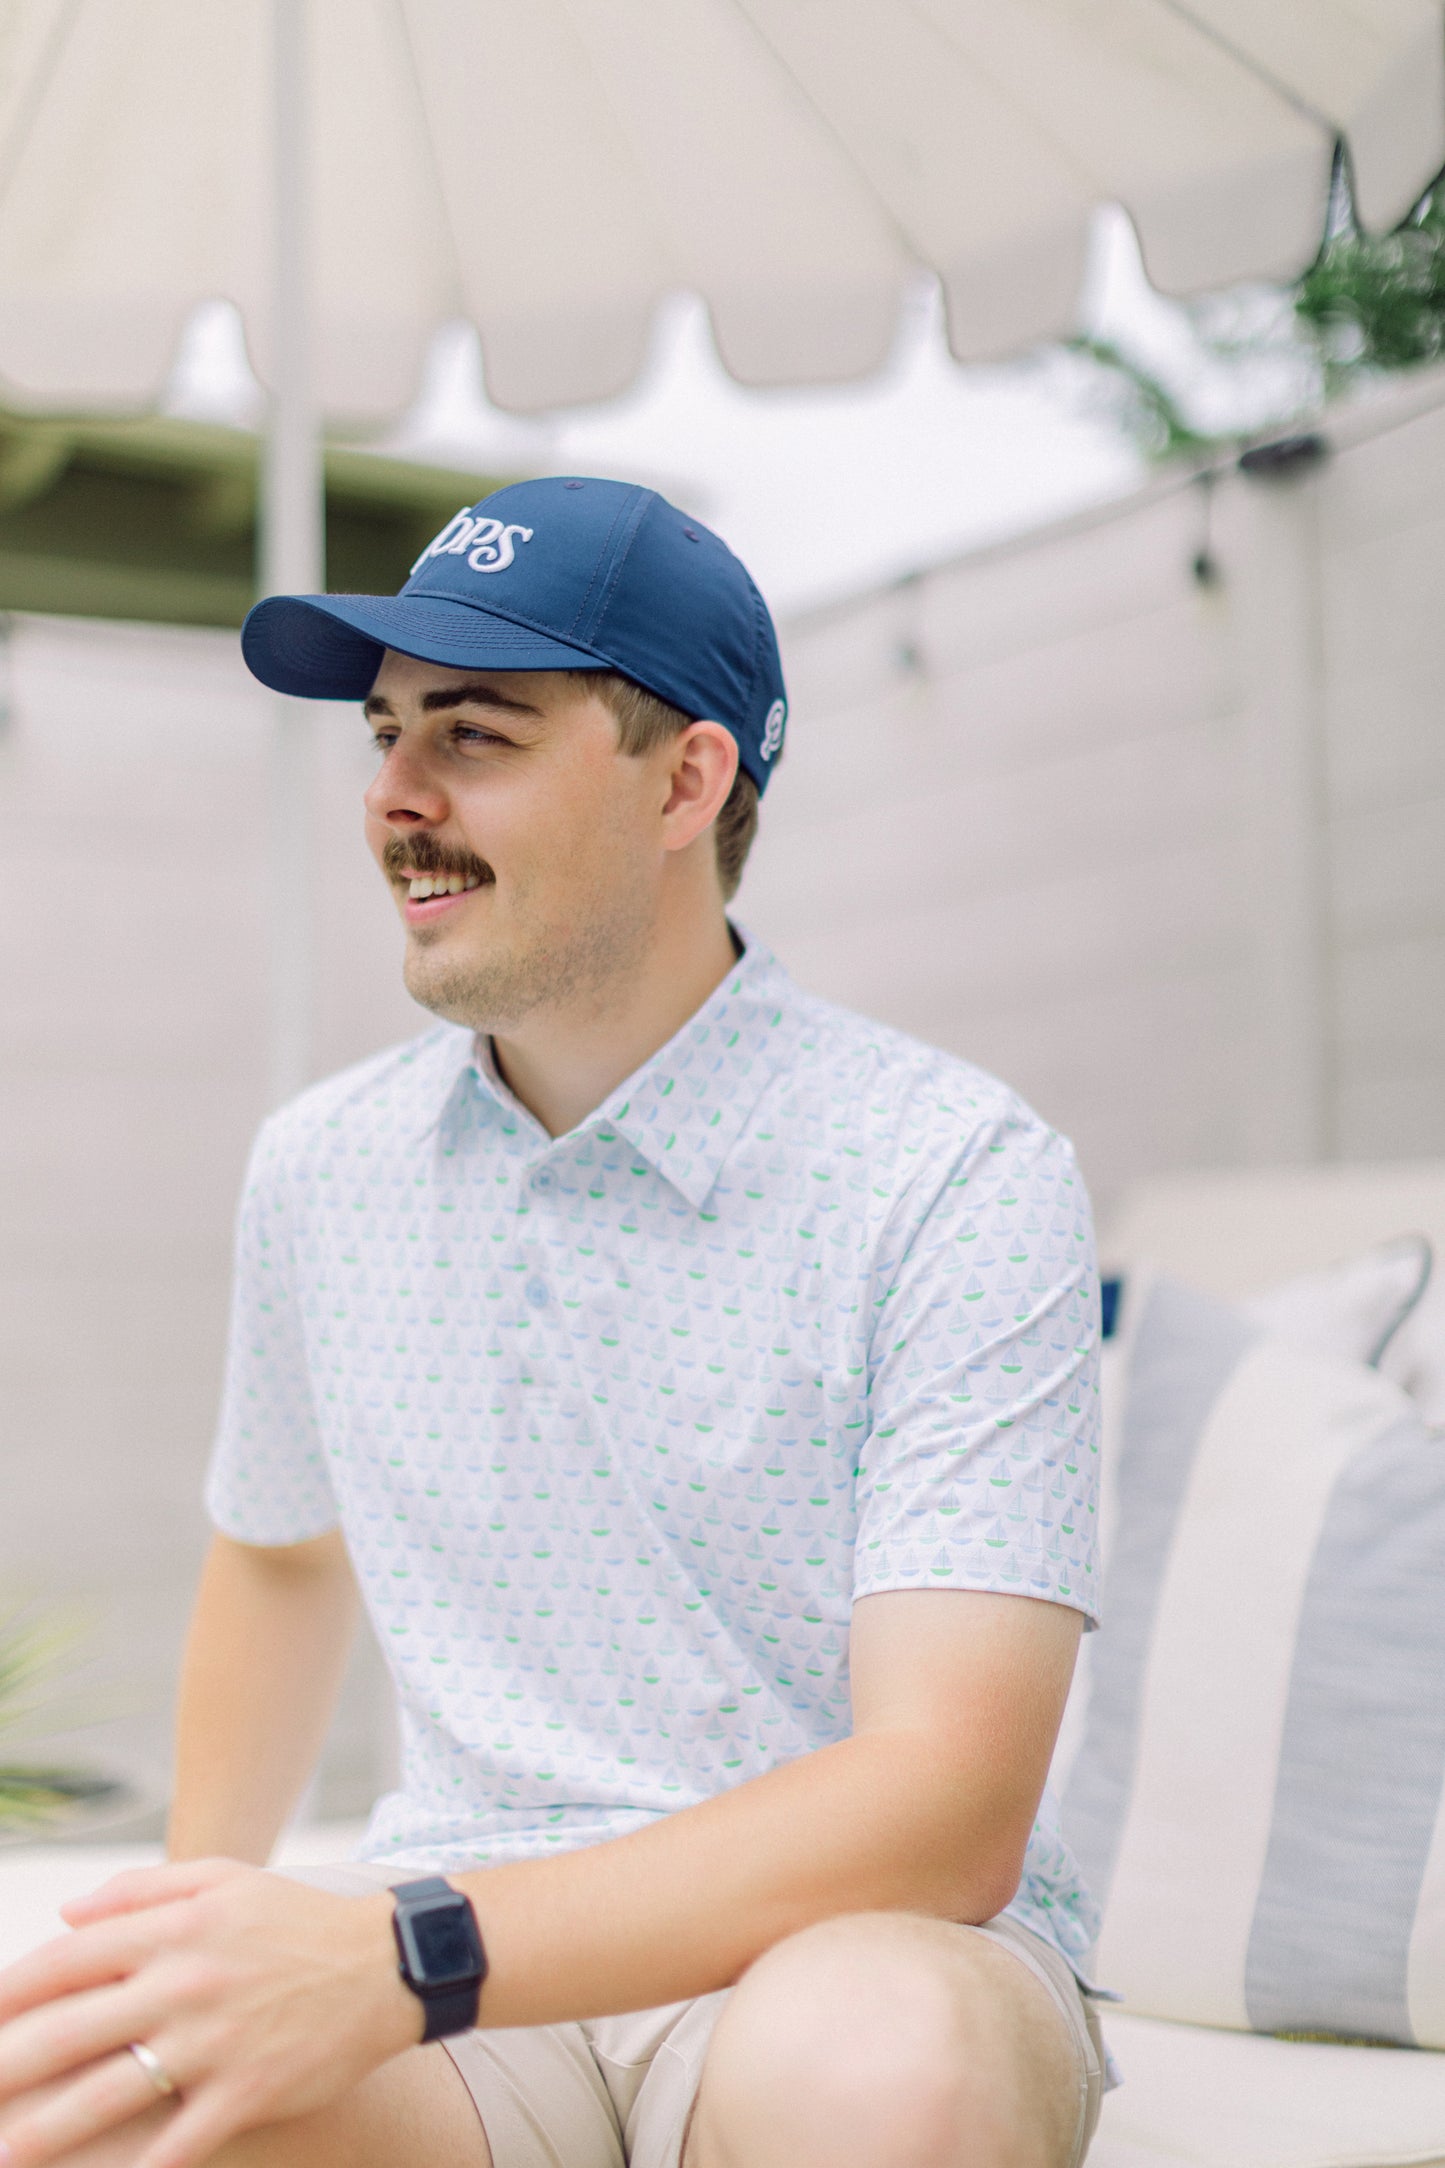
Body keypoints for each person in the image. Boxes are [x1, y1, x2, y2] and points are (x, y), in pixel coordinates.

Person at [0, 477, 1109, 2168]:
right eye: (383, 736)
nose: (393, 798)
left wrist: (402, 1949)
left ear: (686, 779)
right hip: (455, 1978)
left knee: (882, 2069)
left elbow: (944, 1808)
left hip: (832, 1947)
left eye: (476, 735)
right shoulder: (322, 1171)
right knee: (100, 2105)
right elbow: (282, 1552)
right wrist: (200, 1929)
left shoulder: (951, 1174)